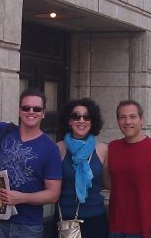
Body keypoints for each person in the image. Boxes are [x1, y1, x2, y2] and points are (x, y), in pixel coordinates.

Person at [0, 70, 62, 238]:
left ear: (43, 113)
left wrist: (22, 198)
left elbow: (53, 194)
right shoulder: (4, 131)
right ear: (20, 111)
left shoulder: (50, 149)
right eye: (26, 107)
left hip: (28, 226)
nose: (31, 111)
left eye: (36, 108)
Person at [107, 100, 151, 238]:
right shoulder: (112, 148)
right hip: (115, 228)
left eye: (132, 117)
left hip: (146, 229)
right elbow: (110, 182)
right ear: (118, 122)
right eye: (122, 117)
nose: (127, 121)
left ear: (141, 120)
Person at [53, 98, 109, 238]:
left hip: (96, 218)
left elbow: (107, 183)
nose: (81, 120)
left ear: (92, 121)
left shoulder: (102, 149)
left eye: (87, 116)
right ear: (69, 121)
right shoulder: (58, 149)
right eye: (76, 116)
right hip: (66, 220)